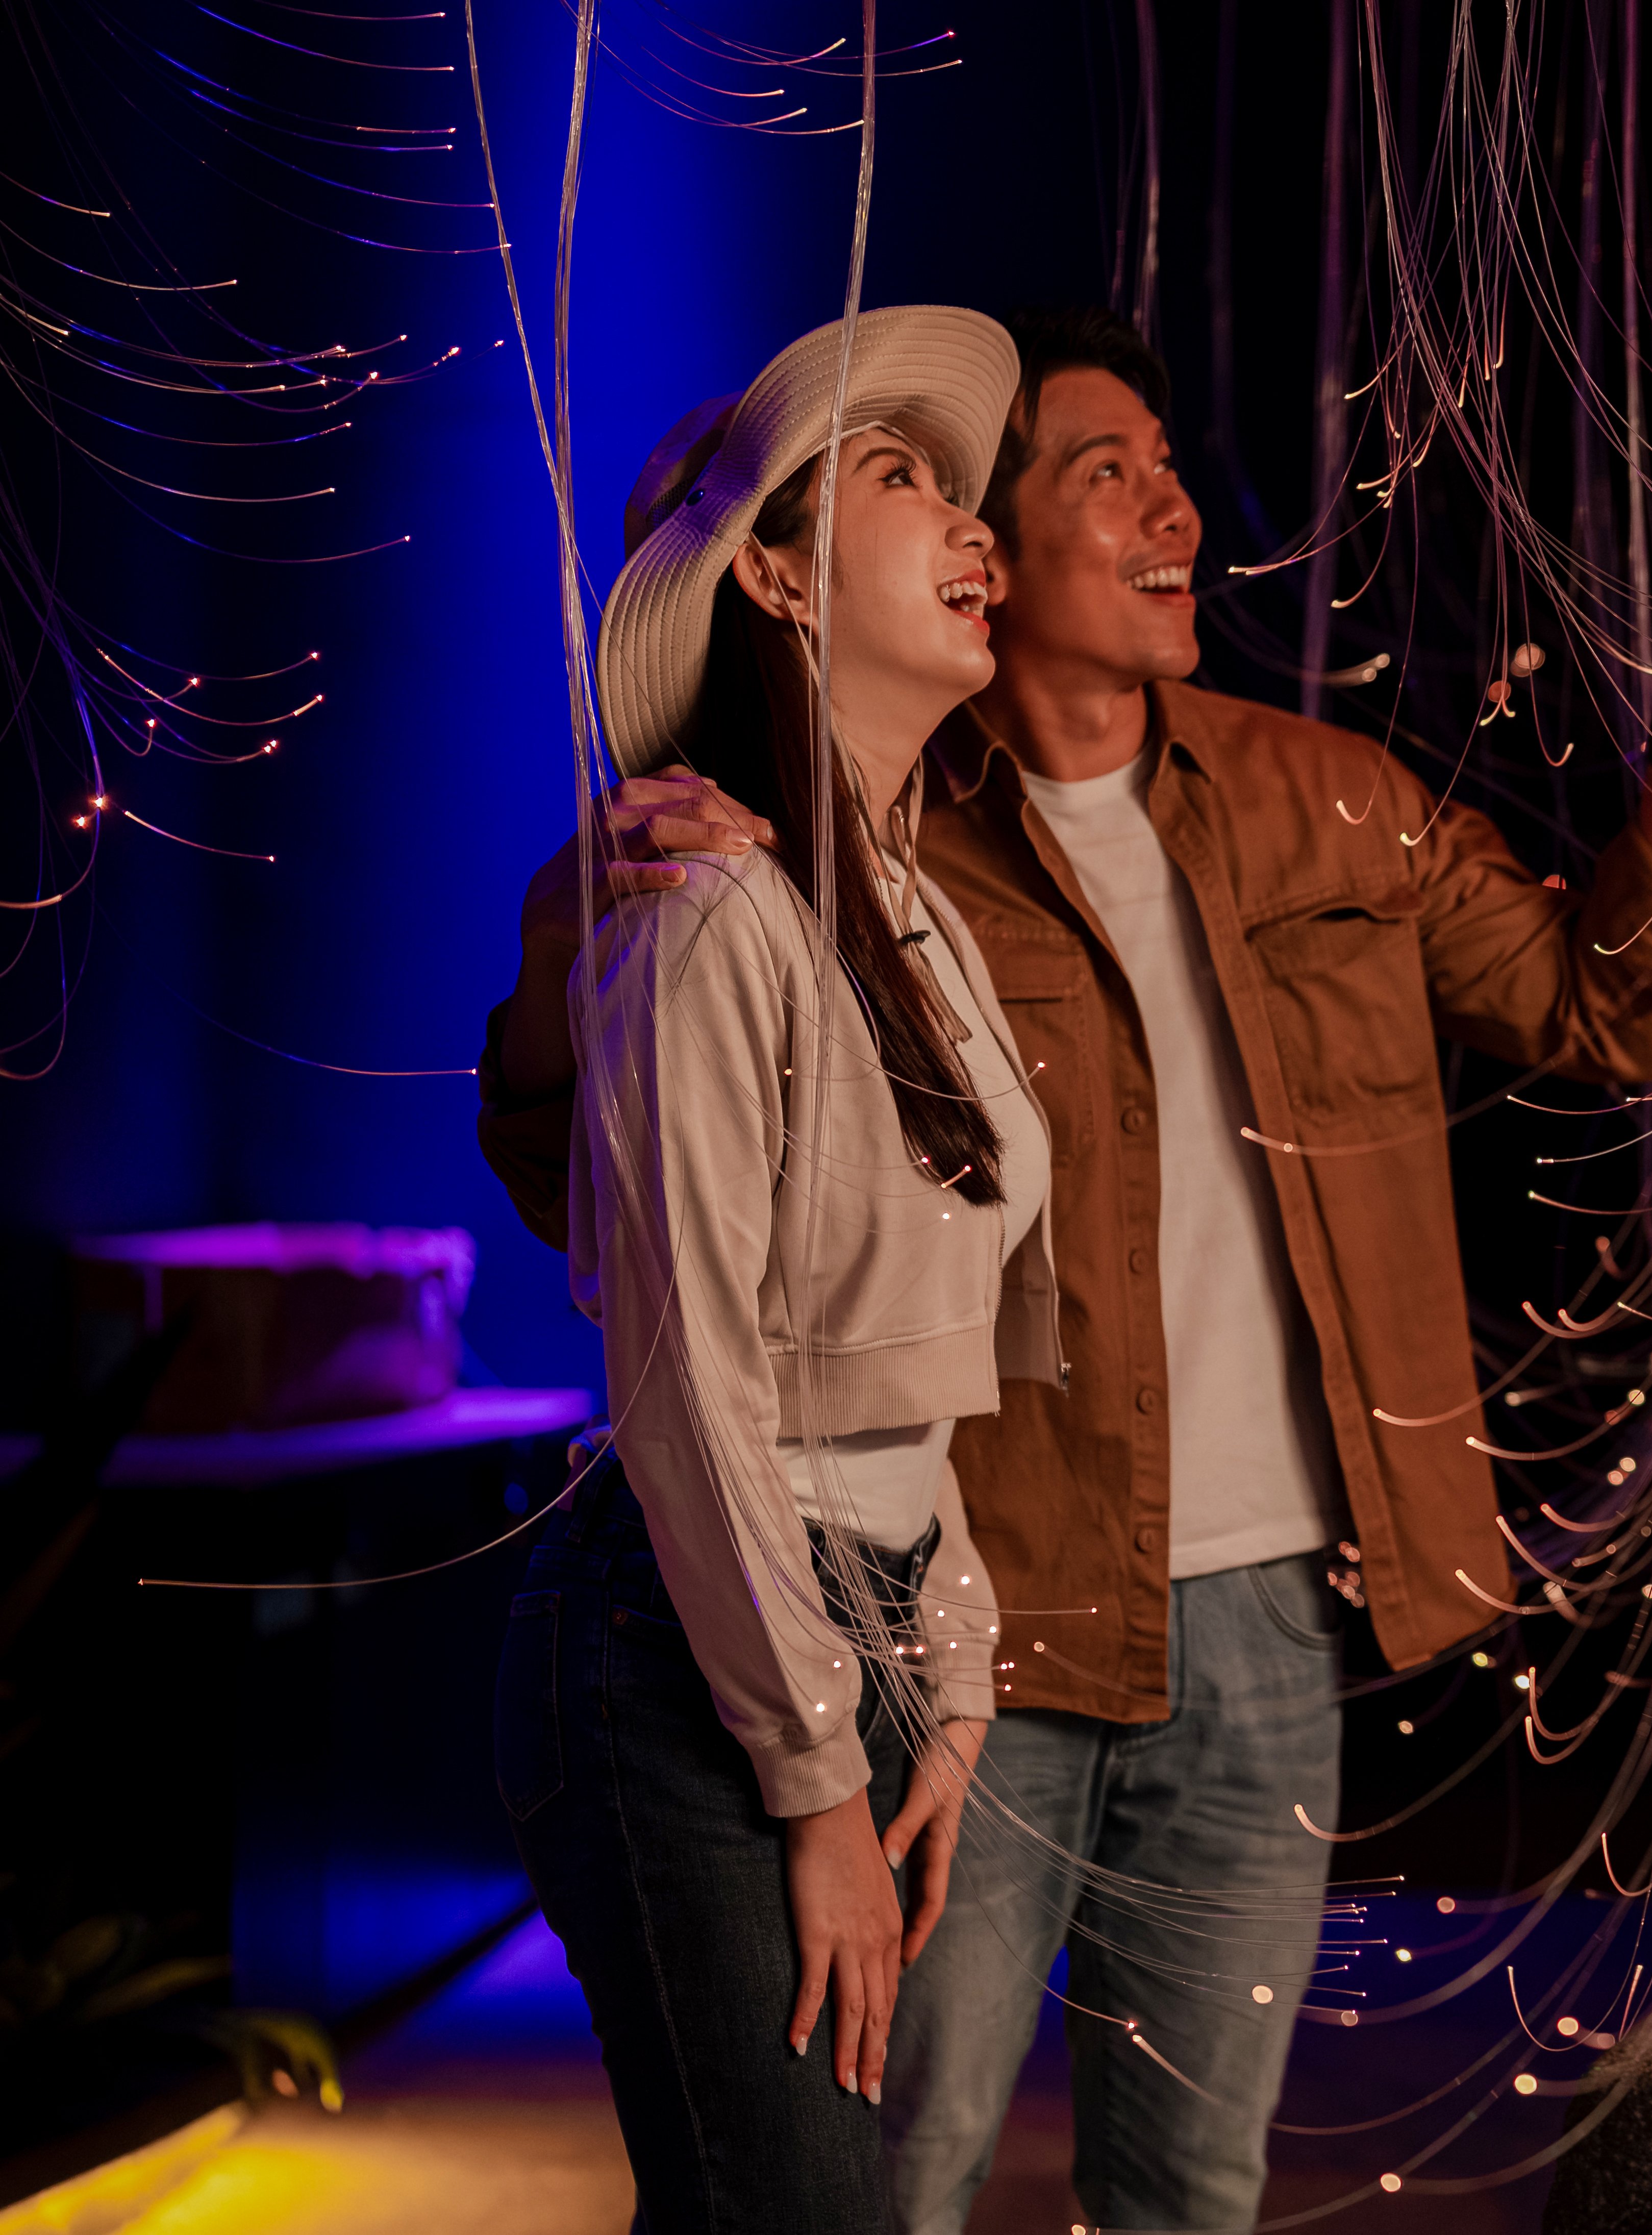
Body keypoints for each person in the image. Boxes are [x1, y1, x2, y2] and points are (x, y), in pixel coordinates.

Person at [477, 305, 1652, 2231]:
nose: (1167, 502)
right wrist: (565, 939)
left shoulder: (1320, 797)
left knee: (1186, 2185)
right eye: (1097, 472)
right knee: (879, 2169)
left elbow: (1611, 1009)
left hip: (1245, 1617)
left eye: (1167, 466)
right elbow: (625, 1226)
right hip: (975, 1608)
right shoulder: (820, 856)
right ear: (989, 556)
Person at [491, 306, 1056, 2233]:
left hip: (864, 1625)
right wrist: (818, 1774)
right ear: (778, 574)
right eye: (902, 481)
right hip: (687, 1638)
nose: (974, 524)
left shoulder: (918, 923)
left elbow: (914, 1362)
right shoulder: (706, 908)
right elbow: (691, 1381)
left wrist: (952, 1661)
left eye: (968, 491)